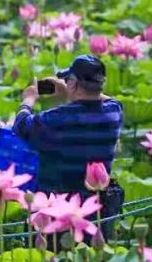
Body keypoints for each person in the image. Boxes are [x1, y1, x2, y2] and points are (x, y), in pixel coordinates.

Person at [14, 54, 124, 237]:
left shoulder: (58, 118)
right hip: (97, 211)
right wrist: (71, 90)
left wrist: (29, 99)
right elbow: (109, 100)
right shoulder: (113, 113)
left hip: (57, 212)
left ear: (73, 83)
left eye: (68, 80)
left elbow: (21, 127)